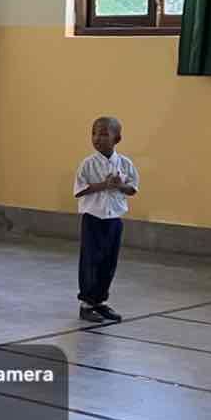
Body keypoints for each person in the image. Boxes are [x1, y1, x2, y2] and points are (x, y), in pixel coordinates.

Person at [75, 116, 139, 324]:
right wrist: (104, 185)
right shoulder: (88, 164)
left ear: (117, 138)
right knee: (90, 261)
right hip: (93, 219)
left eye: (103, 134)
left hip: (114, 220)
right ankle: (86, 304)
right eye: (94, 133)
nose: (97, 138)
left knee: (109, 261)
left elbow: (132, 189)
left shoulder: (125, 164)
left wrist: (120, 186)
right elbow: (79, 190)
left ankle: (100, 300)